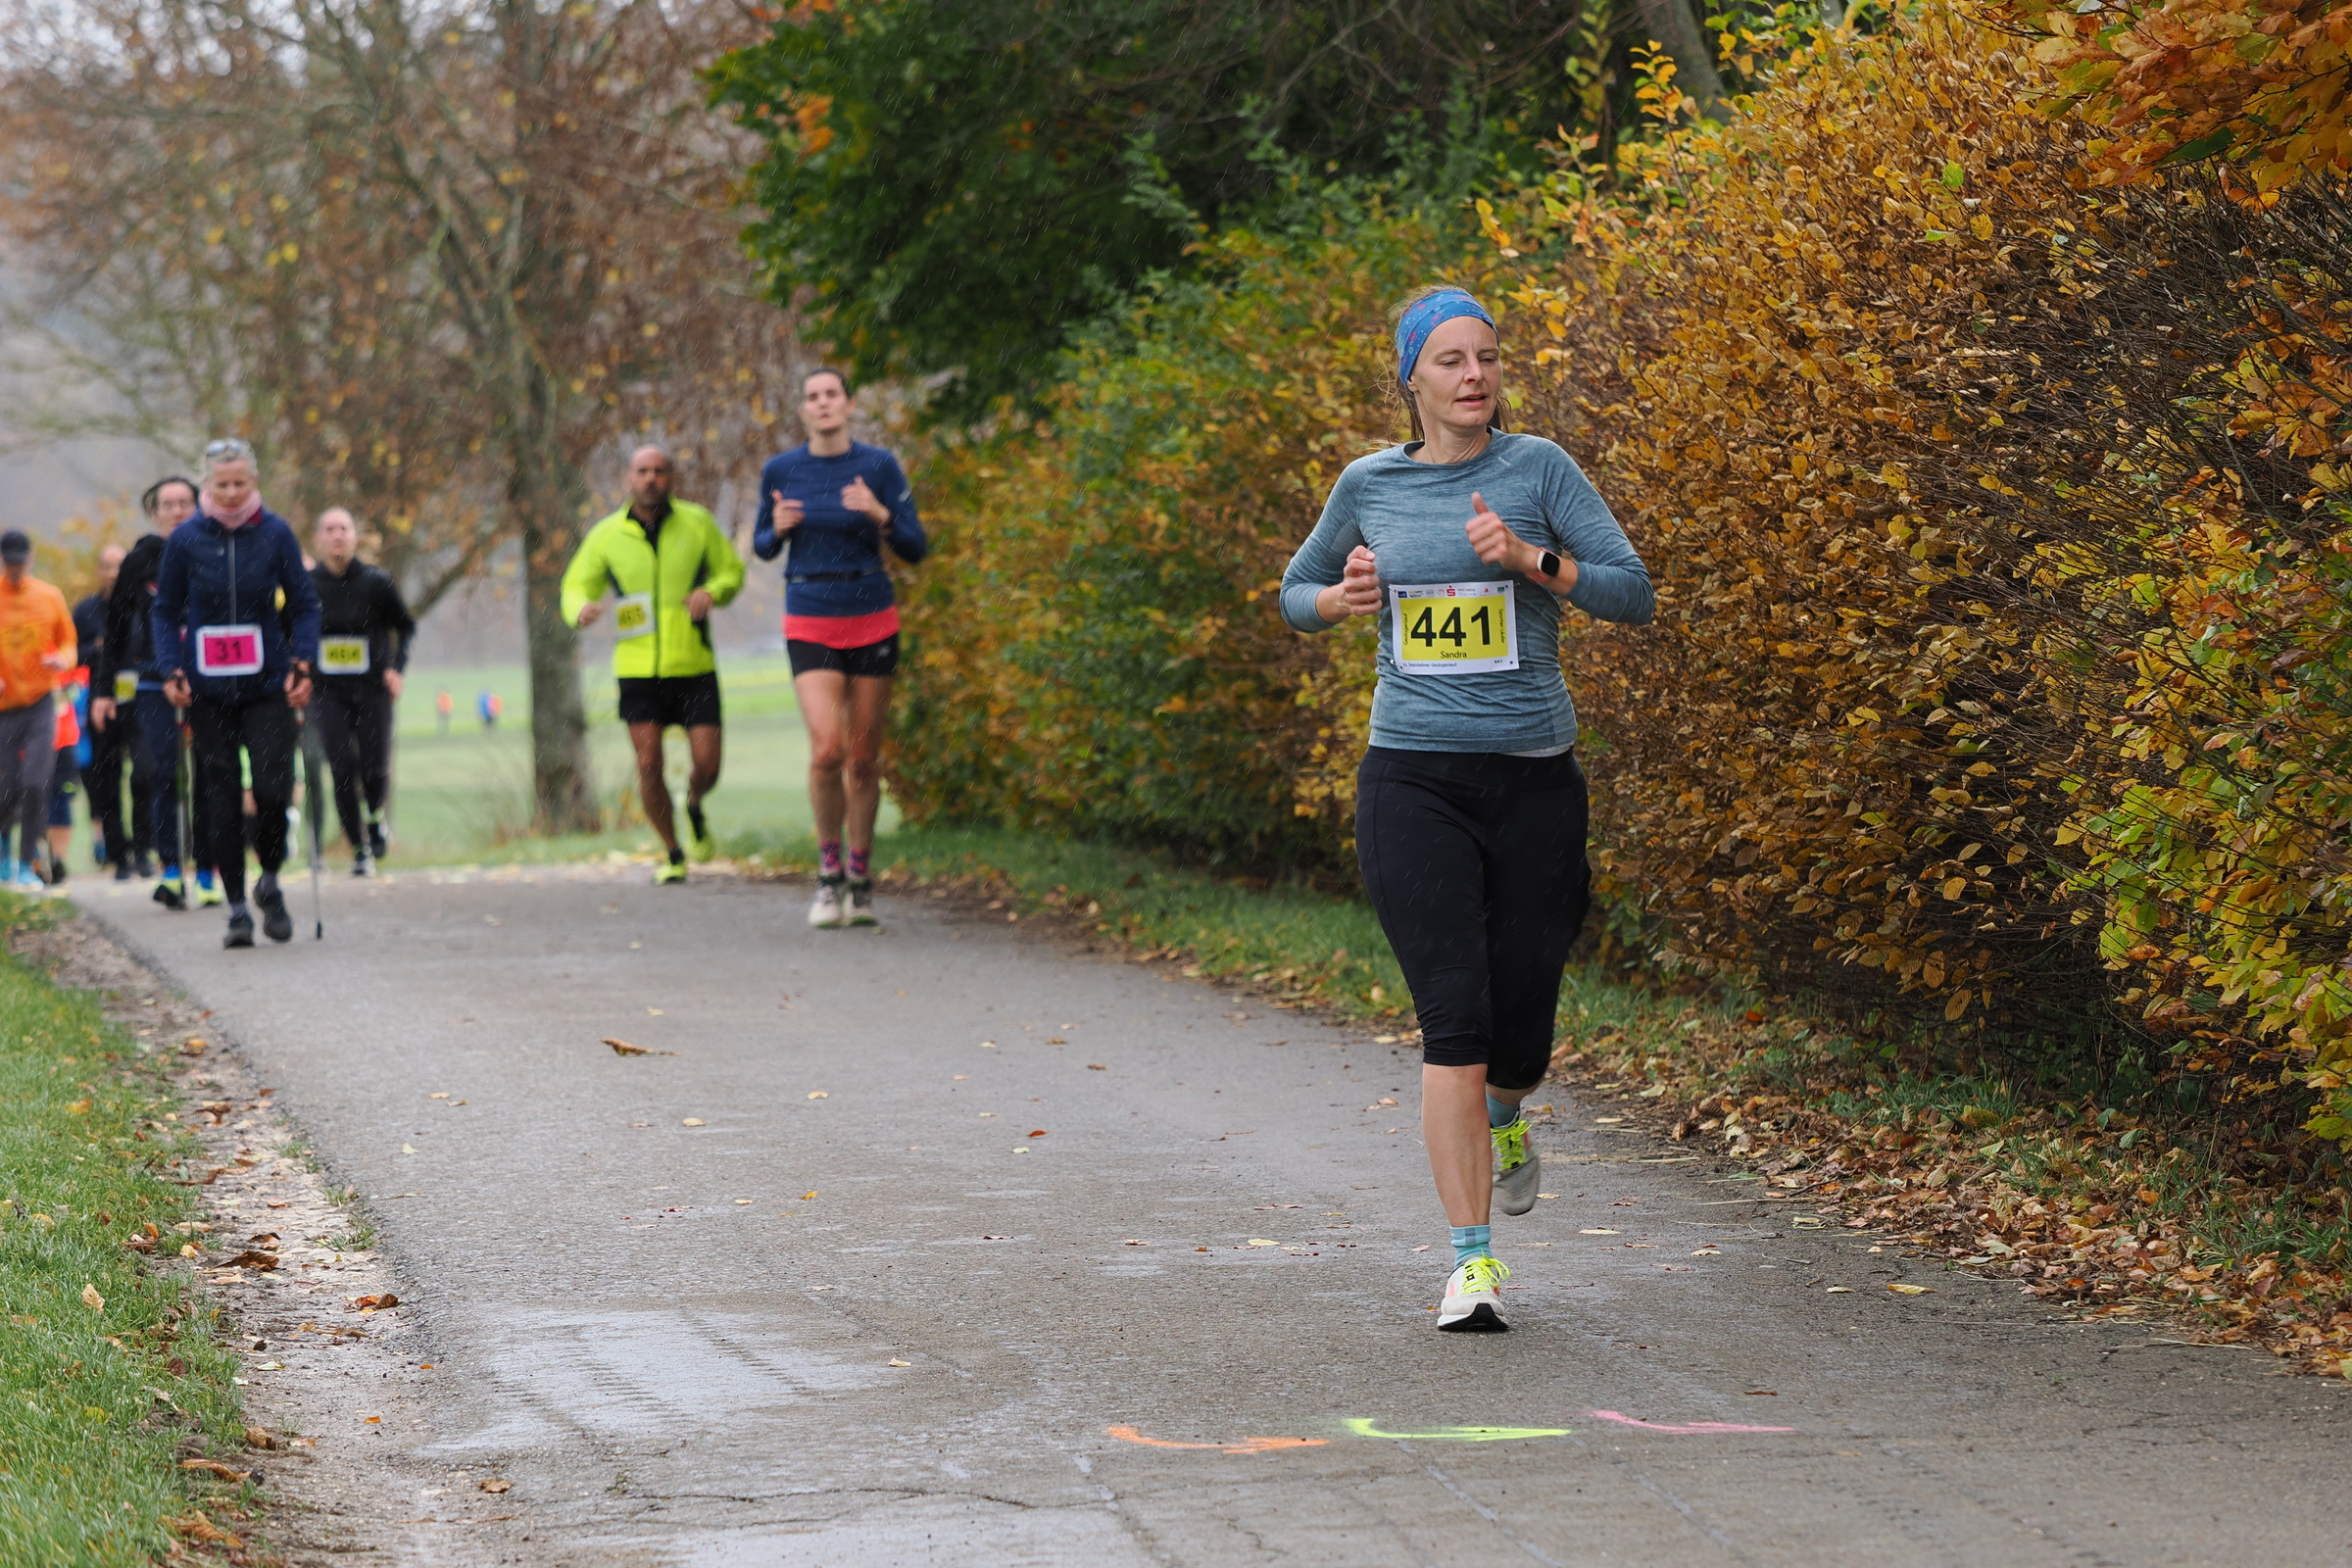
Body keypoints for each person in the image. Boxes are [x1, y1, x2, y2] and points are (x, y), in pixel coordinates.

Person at [1279, 286, 1653, 1333]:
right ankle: (1471, 1263)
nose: (1474, 375)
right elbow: (1294, 594)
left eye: (1486, 356)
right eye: (1450, 359)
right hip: (1412, 778)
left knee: (1520, 1029)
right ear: (1412, 378)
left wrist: (1533, 562)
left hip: (1534, 780)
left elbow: (1633, 592)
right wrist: (1339, 600)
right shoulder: (1370, 484)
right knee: (1455, 1017)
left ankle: (1507, 1112)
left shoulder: (1539, 470)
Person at [753, 368, 929, 928]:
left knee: (862, 758)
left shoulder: (878, 466)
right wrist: (777, 528)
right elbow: (762, 545)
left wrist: (881, 515)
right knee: (827, 750)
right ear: (802, 410)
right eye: (813, 397)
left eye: (832, 394)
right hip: (810, 613)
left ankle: (860, 876)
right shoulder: (781, 470)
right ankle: (828, 875)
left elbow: (916, 545)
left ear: (849, 406)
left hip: (872, 613)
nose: (823, 403)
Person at [151, 438, 320, 948]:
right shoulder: (186, 539)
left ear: (254, 482)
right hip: (206, 689)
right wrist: (170, 669)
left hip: (267, 683)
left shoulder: (275, 533)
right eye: (221, 484)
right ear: (207, 484)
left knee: (272, 790)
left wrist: (303, 662)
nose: (230, 493)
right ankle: (237, 909)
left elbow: (305, 604)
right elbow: (165, 611)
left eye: (239, 484)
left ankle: (269, 880)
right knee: (220, 798)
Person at [561, 445, 743, 884]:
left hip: (693, 663)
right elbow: (574, 585)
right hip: (638, 669)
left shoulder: (697, 523)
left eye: (659, 471)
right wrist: (579, 609)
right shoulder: (607, 534)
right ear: (629, 478)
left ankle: (693, 802)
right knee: (647, 764)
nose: (651, 479)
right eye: (642, 471)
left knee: (708, 764)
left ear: (671, 478)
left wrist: (712, 592)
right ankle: (673, 851)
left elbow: (731, 572)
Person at [310, 508, 416, 875]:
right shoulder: (306, 585)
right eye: (329, 529)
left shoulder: (376, 582)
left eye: (344, 528)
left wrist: (396, 669)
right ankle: (359, 848)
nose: (337, 535)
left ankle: (375, 815)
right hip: (327, 690)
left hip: (372, 689)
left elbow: (405, 626)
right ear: (319, 539)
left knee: (374, 768)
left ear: (355, 536)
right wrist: (297, 669)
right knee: (341, 767)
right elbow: (287, 629)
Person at [0, 530, 77, 893]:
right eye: (9, 563)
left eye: (20, 562)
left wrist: (61, 659)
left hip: (41, 702)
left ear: (29, 559)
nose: (15, 569)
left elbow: (69, 641)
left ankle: (26, 863)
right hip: (4, 709)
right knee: (6, 787)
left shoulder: (49, 596)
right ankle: (4, 850)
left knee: (35, 782)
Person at [75, 544, 145, 877]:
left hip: (138, 697)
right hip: (100, 699)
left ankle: (144, 849)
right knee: (105, 778)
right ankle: (118, 856)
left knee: (145, 775)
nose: (113, 572)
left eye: (119, 565)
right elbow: (72, 652)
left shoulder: (142, 604)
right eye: (107, 566)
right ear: (99, 571)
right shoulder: (86, 610)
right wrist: (98, 649)